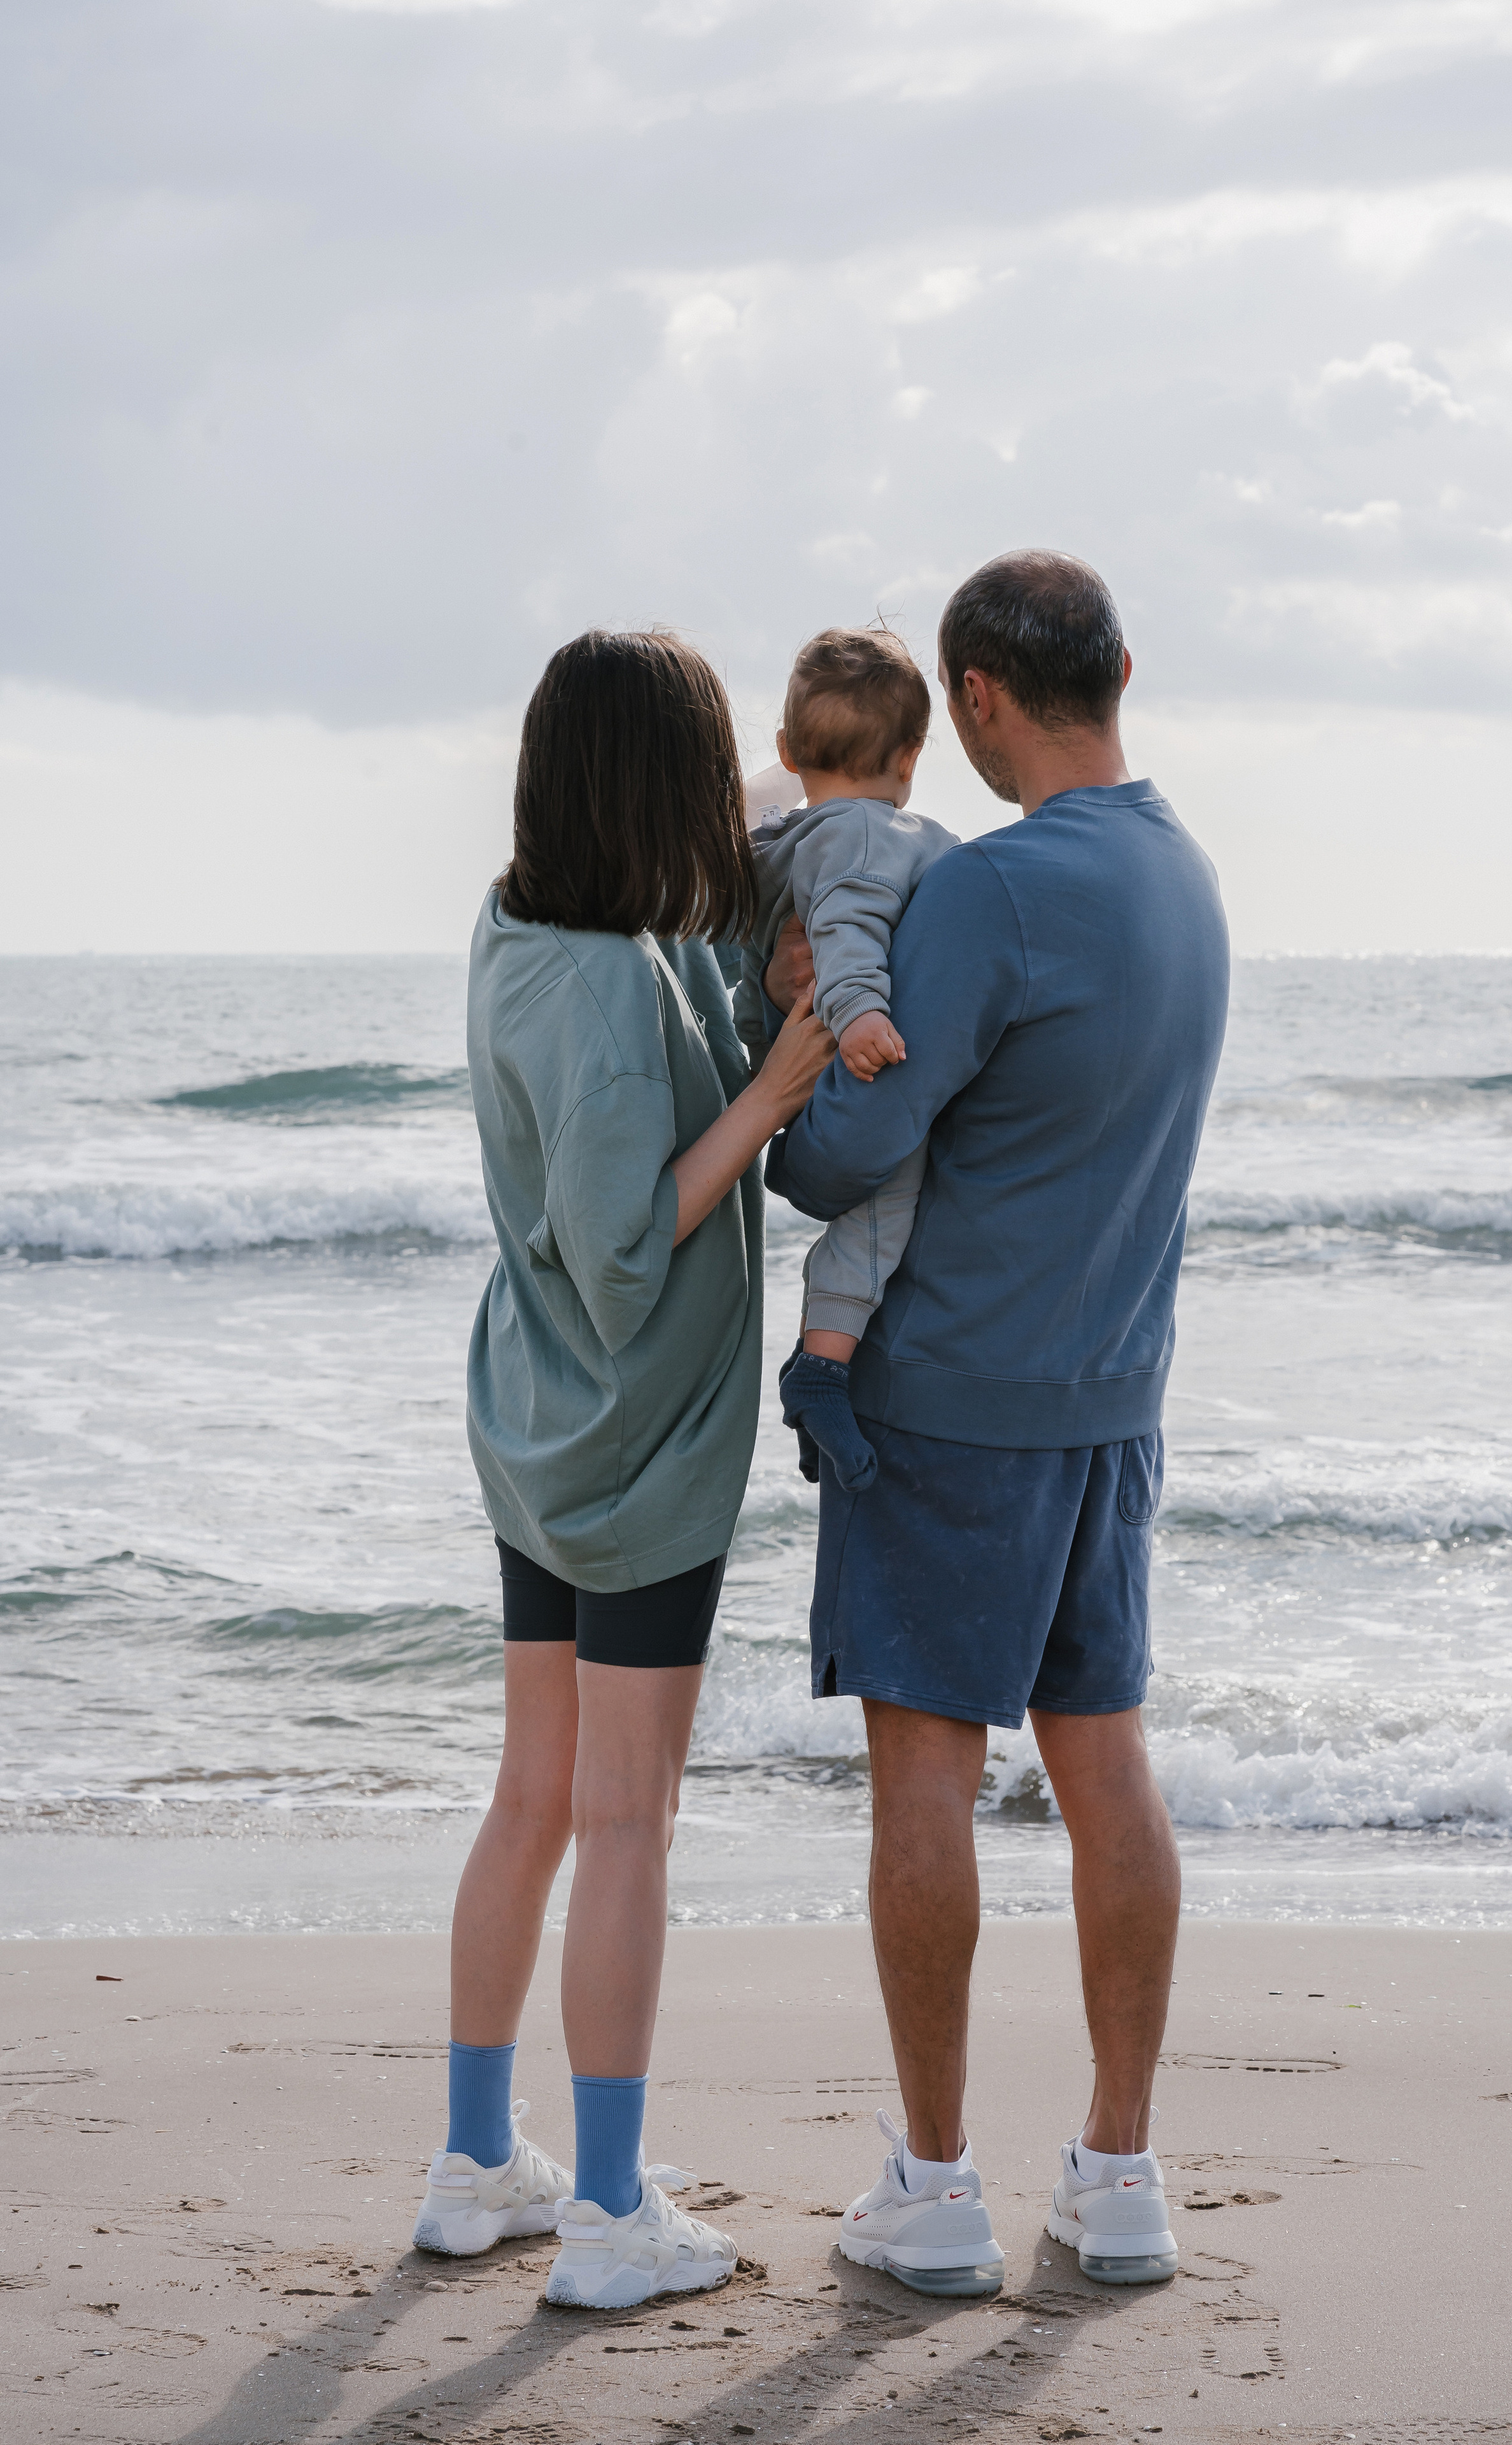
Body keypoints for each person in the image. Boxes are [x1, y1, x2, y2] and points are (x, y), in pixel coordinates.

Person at [766, 549, 1230, 2297]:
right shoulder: (1189, 876)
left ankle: (939, 2185)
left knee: (927, 1788)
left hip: (950, 1406)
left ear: (973, 701)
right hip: (1112, 1403)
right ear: (1118, 666)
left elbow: (847, 1156)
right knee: (1107, 1767)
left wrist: (795, 1032)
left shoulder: (1001, 892)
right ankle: (1119, 2174)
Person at [412, 629, 833, 2311]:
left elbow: (703, 873)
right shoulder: (598, 997)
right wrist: (778, 1083)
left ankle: (473, 2166)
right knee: (623, 1818)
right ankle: (603, 2213)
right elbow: (623, 1250)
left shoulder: (524, 920)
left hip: (533, 1423)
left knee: (533, 1797)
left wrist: (809, 777)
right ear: (648, 793)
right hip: (631, 1445)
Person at [733, 627, 958, 1492]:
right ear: (910, 756)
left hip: (780, 1055)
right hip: (839, 1053)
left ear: (788, 752)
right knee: (889, 1194)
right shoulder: (870, 835)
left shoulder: (793, 832)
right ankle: (821, 1366)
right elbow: (848, 930)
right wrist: (861, 1013)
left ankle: (823, 1375)